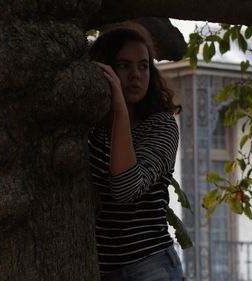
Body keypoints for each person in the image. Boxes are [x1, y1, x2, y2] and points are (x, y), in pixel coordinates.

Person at [88, 23, 184, 281]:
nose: (135, 75)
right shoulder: (91, 131)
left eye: (143, 66)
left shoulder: (160, 126)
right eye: (124, 65)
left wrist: (119, 108)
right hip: (100, 270)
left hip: (149, 266)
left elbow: (125, 188)